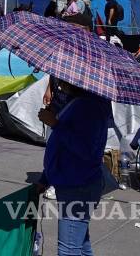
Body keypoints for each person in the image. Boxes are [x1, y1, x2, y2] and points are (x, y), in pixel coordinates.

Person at [36, 79, 112, 256]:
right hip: (74, 181)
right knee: (80, 243)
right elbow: (62, 148)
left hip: (78, 185)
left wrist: (56, 124)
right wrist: (45, 178)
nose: (58, 80)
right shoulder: (80, 102)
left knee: (68, 250)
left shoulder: (91, 107)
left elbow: (87, 151)